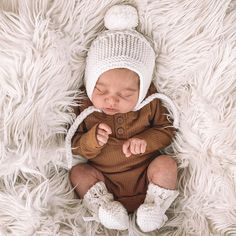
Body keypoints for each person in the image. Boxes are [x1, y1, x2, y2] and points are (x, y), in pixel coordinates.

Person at [69, 4, 179, 232]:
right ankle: (105, 207)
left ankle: (154, 207)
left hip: (147, 176)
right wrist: (92, 140)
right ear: (90, 83)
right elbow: (75, 146)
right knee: (78, 173)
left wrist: (146, 140)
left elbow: (167, 130)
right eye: (101, 91)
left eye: (125, 95)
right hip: (103, 180)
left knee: (167, 164)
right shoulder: (84, 104)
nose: (111, 101)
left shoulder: (150, 101)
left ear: (142, 89)